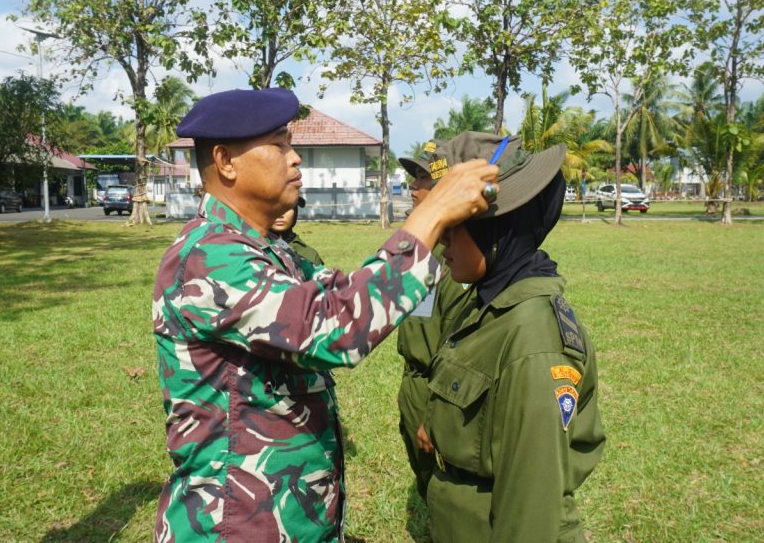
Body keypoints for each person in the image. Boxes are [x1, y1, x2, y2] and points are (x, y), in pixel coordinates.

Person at [151, 88, 499, 542]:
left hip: (280, 517)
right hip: (235, 525)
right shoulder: (209, 257)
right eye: (279, 145)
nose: (295, 158)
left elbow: (345, 291)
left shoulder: (266, 249)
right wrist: (431, 214)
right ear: (225, 161)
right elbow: (338, 327)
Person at [417, 132, 606, 542]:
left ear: (496, 231)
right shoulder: (485, 305)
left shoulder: (534, 340)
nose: (441, 240)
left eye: (454, 227)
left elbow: (530, 505)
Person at [393, 139, 476, 499]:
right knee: (427, 484)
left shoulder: (456, 258)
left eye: (422, 179)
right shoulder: (419, 250)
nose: (413, 186)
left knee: (446, 492)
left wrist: (434, 413)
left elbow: (461, 344)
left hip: (437, 389)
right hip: (414, 382)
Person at [270, 195, 324, 266]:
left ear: (295, 213)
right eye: (273, 207)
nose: (280, 215)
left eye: (287, 208)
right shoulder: (255, 249)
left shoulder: (310, 256)